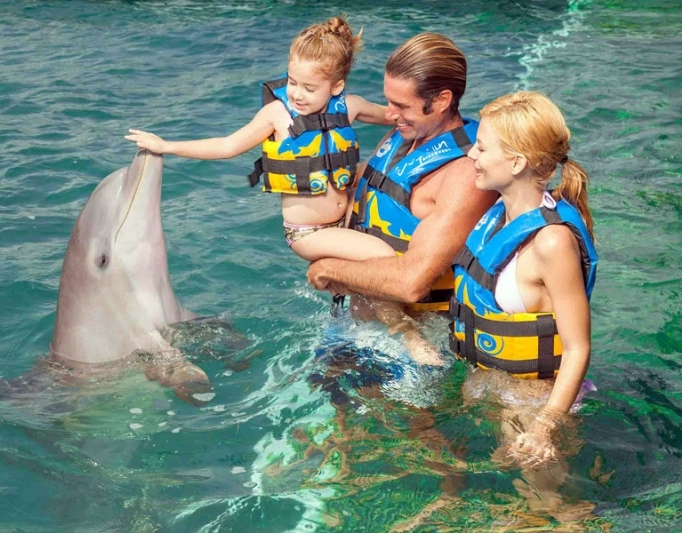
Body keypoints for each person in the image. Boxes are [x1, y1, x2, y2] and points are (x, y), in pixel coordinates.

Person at [125, 16, 395, 263]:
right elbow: (227, 146)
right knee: (383, 255)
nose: (297, 94)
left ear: (336, 87)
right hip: (309, 233)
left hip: (347, 213)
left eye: (309, 88)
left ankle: (364, 301)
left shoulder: (349, 107)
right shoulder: (277, 115)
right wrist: (166, 146)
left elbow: (394, 116)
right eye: (292, 82)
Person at [306, 33, 498, 359]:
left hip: (413, 350)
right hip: (358, 326)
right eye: (388, 101)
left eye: (402, 106)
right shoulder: (404, 136)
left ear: (441, 100)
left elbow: (411, 283)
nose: (389, 114)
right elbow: (364, 190)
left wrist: (328, 269)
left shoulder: (466, 174)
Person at [450, 90, 598, 471]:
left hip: (535, 406)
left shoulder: (551, 243)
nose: (471, 155)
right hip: (494, 390)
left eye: (482, 148)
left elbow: (578, 348)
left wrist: (544, 428)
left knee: (546, 500)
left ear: (516, 162)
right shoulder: (499, 213)